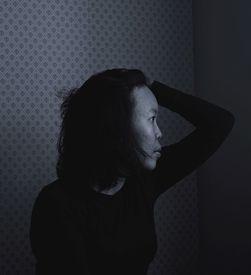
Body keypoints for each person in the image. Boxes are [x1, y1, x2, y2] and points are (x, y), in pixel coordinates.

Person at [29, 68, 235, 275]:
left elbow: (219, 124)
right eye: (151, 119)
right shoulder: (56, 204)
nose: (159, 132)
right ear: (116, 127)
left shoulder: (142, 180)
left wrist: (152, 86)